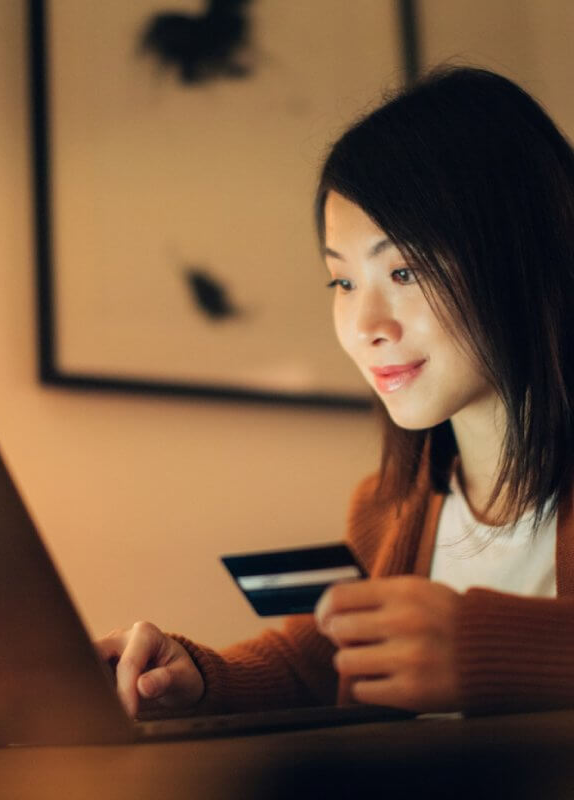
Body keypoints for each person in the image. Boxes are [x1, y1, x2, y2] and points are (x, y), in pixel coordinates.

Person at [96, 65, 574, 719]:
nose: (366, 325)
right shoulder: (386, 509)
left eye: (404, 271)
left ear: (522, 255)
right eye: (343, 282)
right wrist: (198, 680)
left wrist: (488, 650)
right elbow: (319, 668)